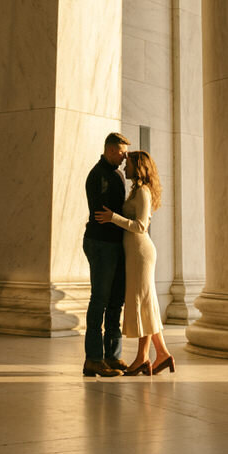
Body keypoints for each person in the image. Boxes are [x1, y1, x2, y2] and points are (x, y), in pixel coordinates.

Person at [95, 149, 175, 376]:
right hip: (135, 253)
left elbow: (140, 226)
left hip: (141, 253)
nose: (124, 166)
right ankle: (162, 354)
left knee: (142, 303)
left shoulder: (143, 193)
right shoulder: (137, 191)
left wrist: (113, 217)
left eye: (127, 163)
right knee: (146, 302)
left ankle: (142, 358)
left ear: (137, 166)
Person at [82, 132, 130, 377]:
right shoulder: (97, 174)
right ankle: (93, 358)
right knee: (99, 299)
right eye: (122, 152)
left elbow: (114, 212)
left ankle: (112, 356)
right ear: (111, 150)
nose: (124, 157)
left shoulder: (118, 174)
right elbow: (101, 212)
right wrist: (120, 219)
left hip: (114, 243)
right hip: (100, 243)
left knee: (115, 301)